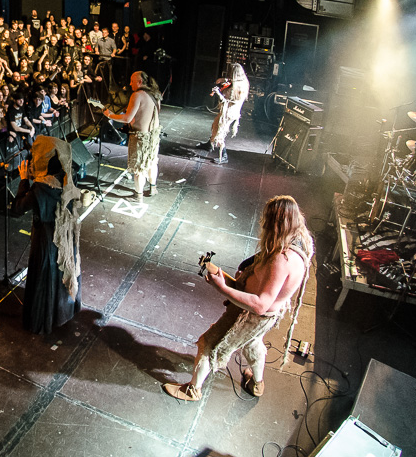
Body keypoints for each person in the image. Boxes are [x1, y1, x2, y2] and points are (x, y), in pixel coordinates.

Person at [162, 195, 314, 401]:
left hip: (250, 316)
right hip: (265, 319)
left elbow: (260, 305)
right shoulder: (301, 239)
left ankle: (193, 390)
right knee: (252, 343)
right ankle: (257, 383)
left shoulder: (282, 259)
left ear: (275, 225)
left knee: (208, 344)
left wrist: (223, 288)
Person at [12, 136, 82, 335]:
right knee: (64, 270)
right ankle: (65, 311)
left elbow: (17, 208)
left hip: (46, 241)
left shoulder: (40, 189)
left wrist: (24, 180)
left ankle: (43, 318)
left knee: (47, 275)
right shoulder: (69, 176)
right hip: (65, 237)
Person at [102, 71, 161, 201]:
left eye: (132, 81)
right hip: (153, 136)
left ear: (139, 82)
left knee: (138, 167)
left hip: (140, 137)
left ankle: (138, 195)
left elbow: (127, 118)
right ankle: (153, 188)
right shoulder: (155, 94)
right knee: (152, 161)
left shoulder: (137, 95)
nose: (129, 84)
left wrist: (110, 115)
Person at [205, 63, 249, 164]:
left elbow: (226, 100)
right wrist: (223, 80)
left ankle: (224, 156)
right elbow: (231, 81)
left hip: (228, 113)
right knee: (215, 126)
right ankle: (209, 144)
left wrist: (218, 93)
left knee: (220, 132)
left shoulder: (236, 88)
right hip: (231, 111)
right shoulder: (243, 81)